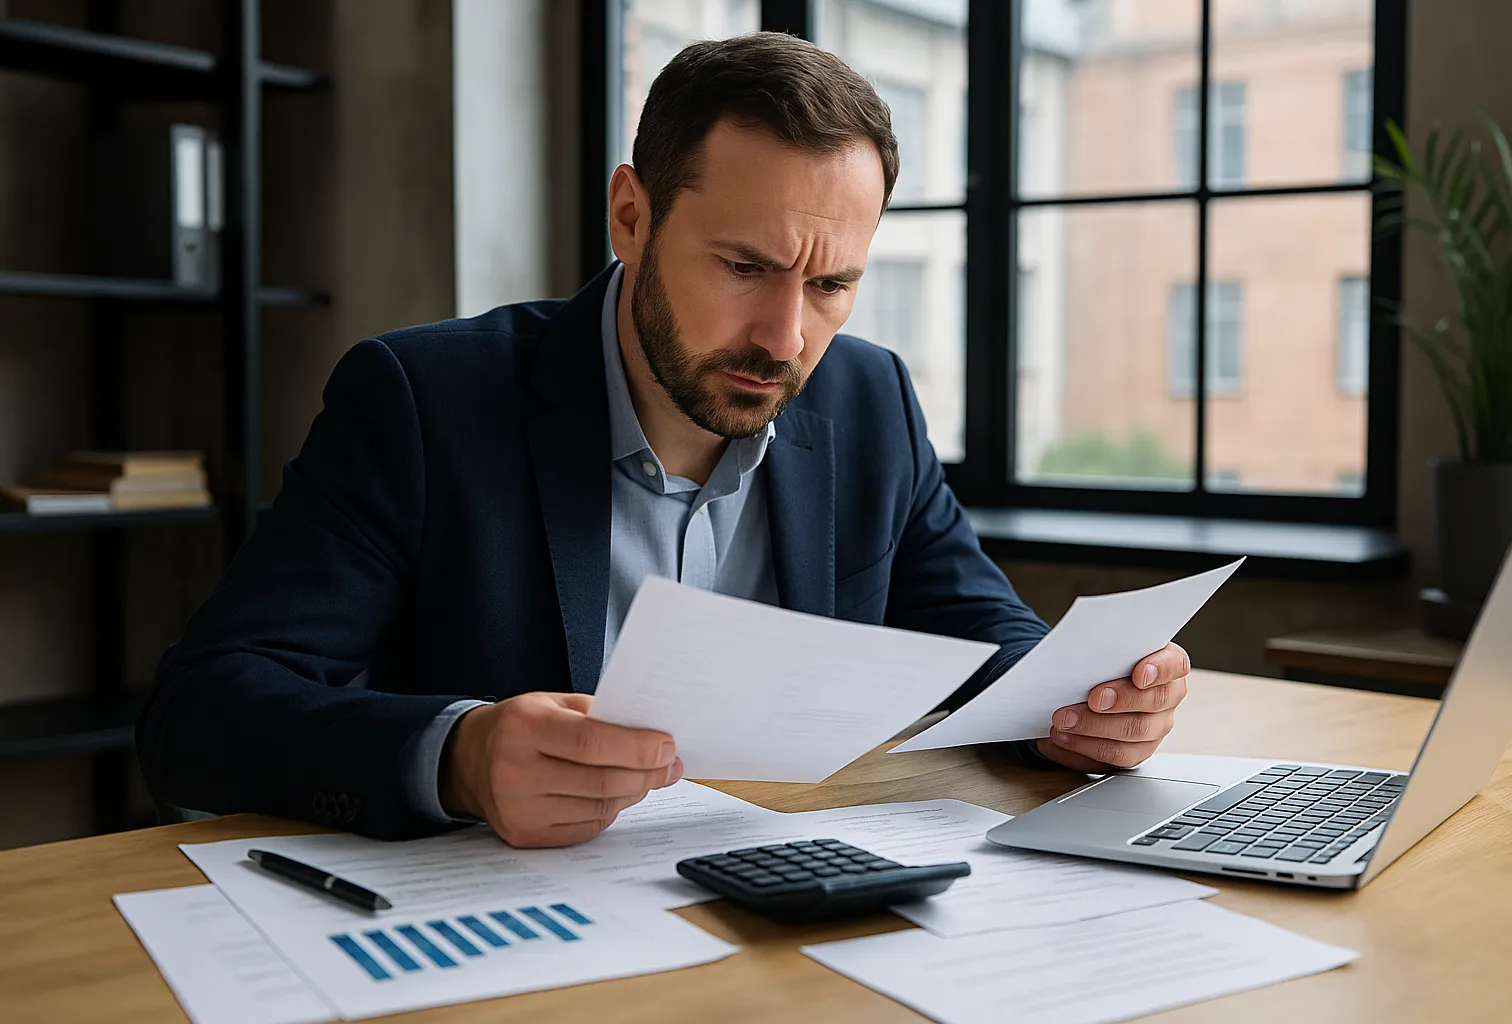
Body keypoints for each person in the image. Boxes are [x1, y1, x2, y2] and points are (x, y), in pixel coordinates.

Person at [138, 32, 1191, 847]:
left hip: (784, 922)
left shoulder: (869, 398)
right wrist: (457, 755)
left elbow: (980, 637)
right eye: (744, 267)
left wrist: (1081, 707)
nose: (786, 338)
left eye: (831, 285)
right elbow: (201, 713)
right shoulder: (422, 399)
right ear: (630, 215)